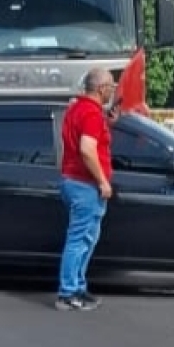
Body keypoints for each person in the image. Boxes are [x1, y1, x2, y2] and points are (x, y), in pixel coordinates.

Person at [56, 68, 115, 311]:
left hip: (73, 181)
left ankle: (77, 286)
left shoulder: (77, 109)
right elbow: (87, 149)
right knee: (79, 239)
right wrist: (102, 181)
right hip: (85, 185)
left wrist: (107, 122)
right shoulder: (91, 114)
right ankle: (67, 293)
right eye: (111, 86)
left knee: (87, 239)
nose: (113, 91)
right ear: (101, 88)